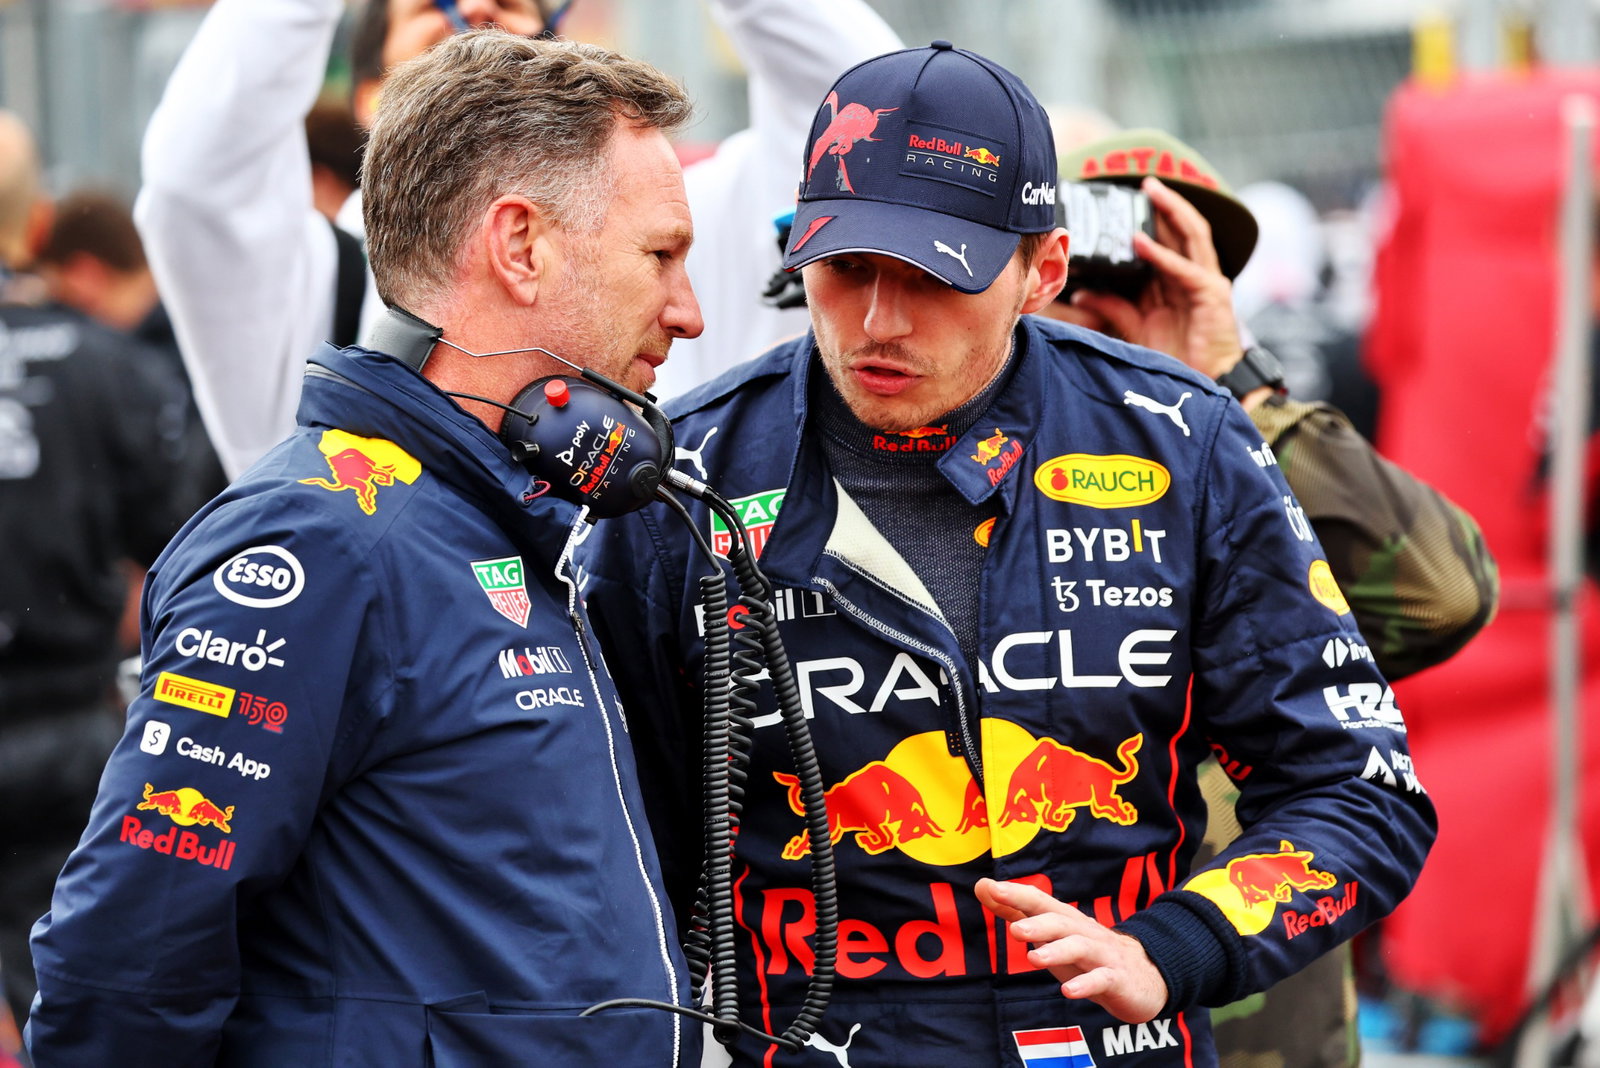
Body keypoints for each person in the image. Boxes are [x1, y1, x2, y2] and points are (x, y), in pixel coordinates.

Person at [583, 42, 1437, 1066]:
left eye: (933, 278)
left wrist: (1172, 948)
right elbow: (615, 858)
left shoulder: (1180, 440)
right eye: (845, 270)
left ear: (1044, 270)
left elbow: (1356, 790)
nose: (878, 321)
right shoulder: (684, 475)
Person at [28, 30, 704, 1065]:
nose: (689, 313)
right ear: (520, 245)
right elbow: (125, 961)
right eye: (660, 255)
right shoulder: (320, 542)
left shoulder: (503, 519)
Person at [1048, 129, 1498, 1068]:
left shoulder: (1234, 458)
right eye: (1077, 270)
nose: (1115, 304)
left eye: (1159, 275)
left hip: (1260, 1017)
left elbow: (1443, 596)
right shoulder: (953, 469)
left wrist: (1228, 384)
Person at [134, 0, 901, 480]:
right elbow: (194, 184)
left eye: (509, 14)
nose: (478, 23)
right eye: (437, 18)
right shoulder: (317, 287)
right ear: (371, 99)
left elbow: (864, 109)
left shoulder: (690, 232)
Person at [0, 111, 204, 1040]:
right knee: (61, 995)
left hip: (68, 725)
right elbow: (196, 552)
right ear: (38, 225)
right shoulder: (112, 370)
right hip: (72, 734)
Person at [34, 190, 227, 503]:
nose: (57, 317)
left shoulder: (132, 360)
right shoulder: (210, 320)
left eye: (58, 297)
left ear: (86, 276)